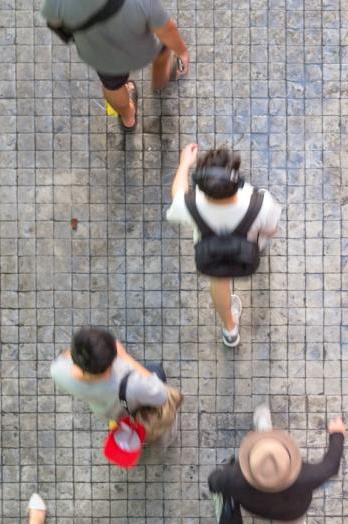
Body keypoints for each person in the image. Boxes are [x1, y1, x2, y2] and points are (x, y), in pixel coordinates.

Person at [166, 144, 282, 347]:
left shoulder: (189, 205)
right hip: (248, 250)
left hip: (213, 257)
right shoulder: (262, 203)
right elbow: (271, 230)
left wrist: (185, 163)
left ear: (200, 184)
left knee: (219, 282)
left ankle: (230, 330)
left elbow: (177, 194)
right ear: (237, 180)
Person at [207, 406, 345, 524]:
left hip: (256, 509)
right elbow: (330, 466)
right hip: (291, 514)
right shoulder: (306, 477)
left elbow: (214, 481)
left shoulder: (234, 478)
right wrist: (337, 435)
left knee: (265, 452)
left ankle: (262, 423)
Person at [41, 0, 190, 132]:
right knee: (161, 49)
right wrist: (182, 52)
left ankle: (128, 118)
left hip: (100, 52)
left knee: (113, 84)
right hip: (140, 44)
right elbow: (166, 29)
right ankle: (162, 79)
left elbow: (55, 23)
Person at [49, 326, 170, 421]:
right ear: (107, 370)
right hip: (129, 405)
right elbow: (161, 395)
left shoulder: (57, 370)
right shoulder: (132, 385)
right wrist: (125, 356)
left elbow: (68, 354)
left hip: (104, 410)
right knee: (156, 370)